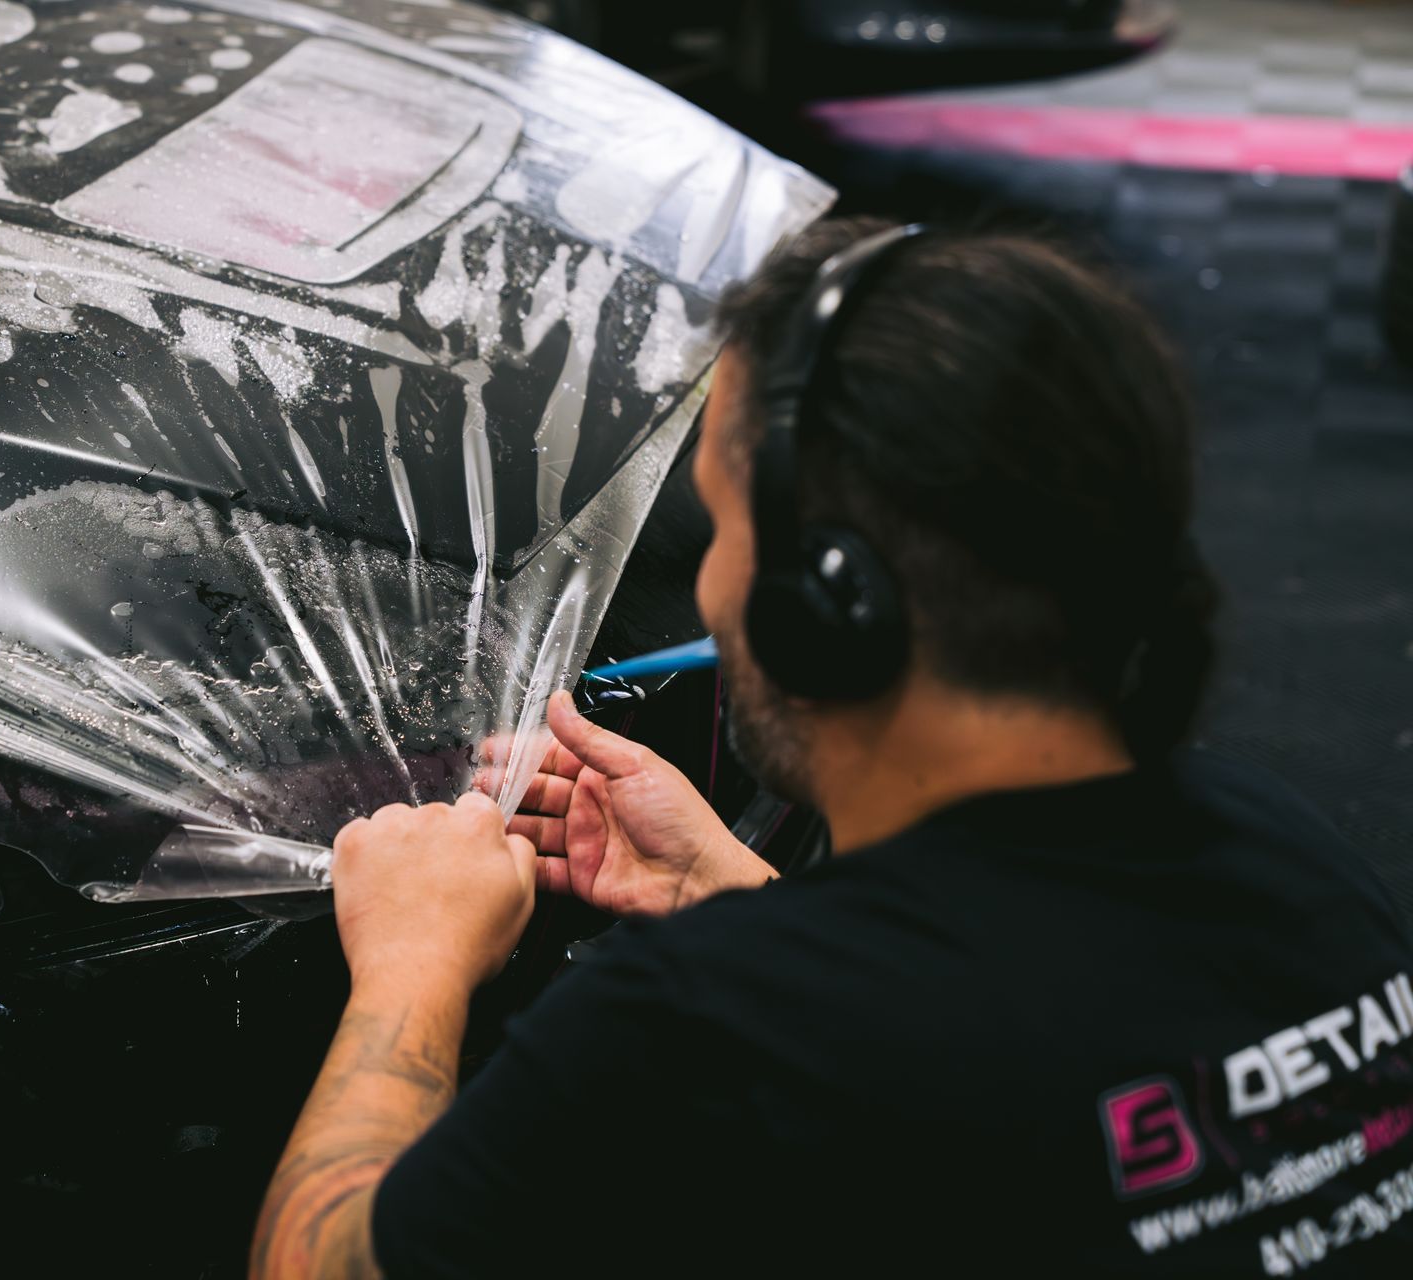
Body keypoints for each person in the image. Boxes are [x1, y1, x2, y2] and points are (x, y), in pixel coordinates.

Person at [248, 219, 1413, 1277]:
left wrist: (412, 963)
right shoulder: (1297, 869)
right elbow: (1023, 1096)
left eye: (727, 524)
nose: (708, 585)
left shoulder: (705, 1034)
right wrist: (737, 895)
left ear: (827, 603)